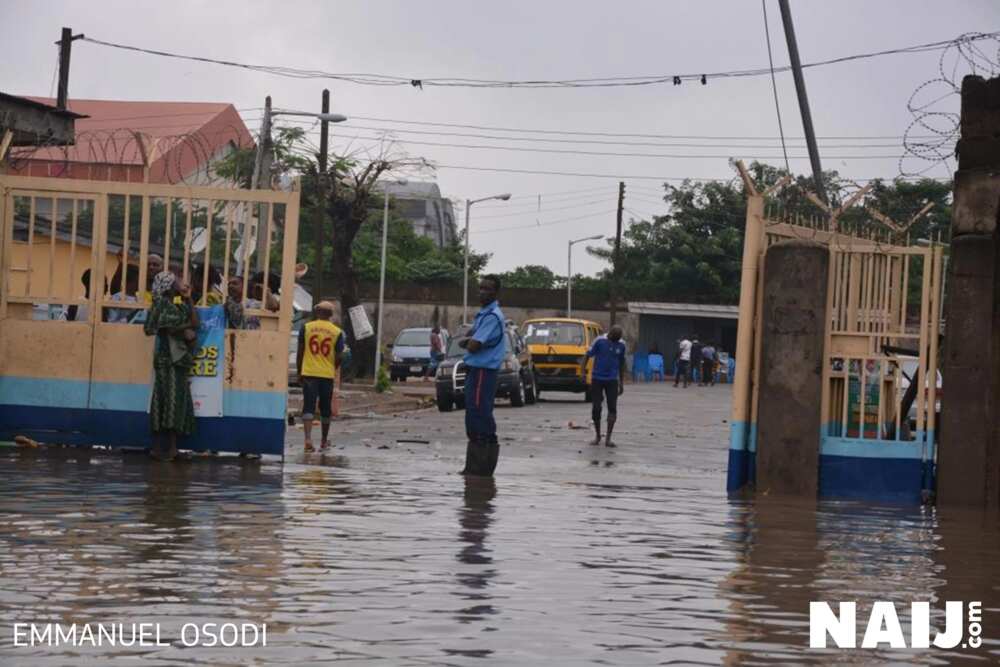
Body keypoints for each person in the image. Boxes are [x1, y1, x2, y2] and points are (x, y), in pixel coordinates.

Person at [144, 271, 199, 461]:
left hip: (179, 358)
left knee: (176, 401)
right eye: (177, 280)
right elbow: (164, 327)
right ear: (168, 284)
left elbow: (194, 321)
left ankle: (171, 448)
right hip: (167, 359)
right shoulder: (161, 303)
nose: (181, 282)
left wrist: (189, 299)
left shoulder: (178, 302)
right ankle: (162, 448)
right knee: (166, 400)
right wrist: (185, 329)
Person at [458, 275, 506, 477]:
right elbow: (468, 340)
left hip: (483, 371)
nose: (482, 292)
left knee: (479, 414)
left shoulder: (492, 316)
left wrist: (468, 342)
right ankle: (474, 467)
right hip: (476, 370)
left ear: (496, 292)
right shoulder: (483, 314)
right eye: (481, 288)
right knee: (474, 413)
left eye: (487, 289)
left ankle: (480, 468)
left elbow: (473, 344)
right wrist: (468, 341)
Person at [296, 301, 345, 452]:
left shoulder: (306, 328)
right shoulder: (337, 332)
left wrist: (299, 371)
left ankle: (308, 439)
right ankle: (324, 441)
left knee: (308, 407)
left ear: (317, 312)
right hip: (326, 374)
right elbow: (339, 356)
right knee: (325, 409)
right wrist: (333, 367)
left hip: (309, 372)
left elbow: (300, 351)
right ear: (331, 315)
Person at [585, 325, 626, 447]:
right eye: (615, 339)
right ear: (610, 334)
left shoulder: (621, 344)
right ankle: (597, 436)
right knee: (596, 408)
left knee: (612, 408)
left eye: (618, 339)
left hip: (612, 380)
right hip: (597, 379)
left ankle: (608, 438)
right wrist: (583, 371)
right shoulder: (599, 341)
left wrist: (621, 382)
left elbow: (621, 363)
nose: (616, 342)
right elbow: (588, 355)